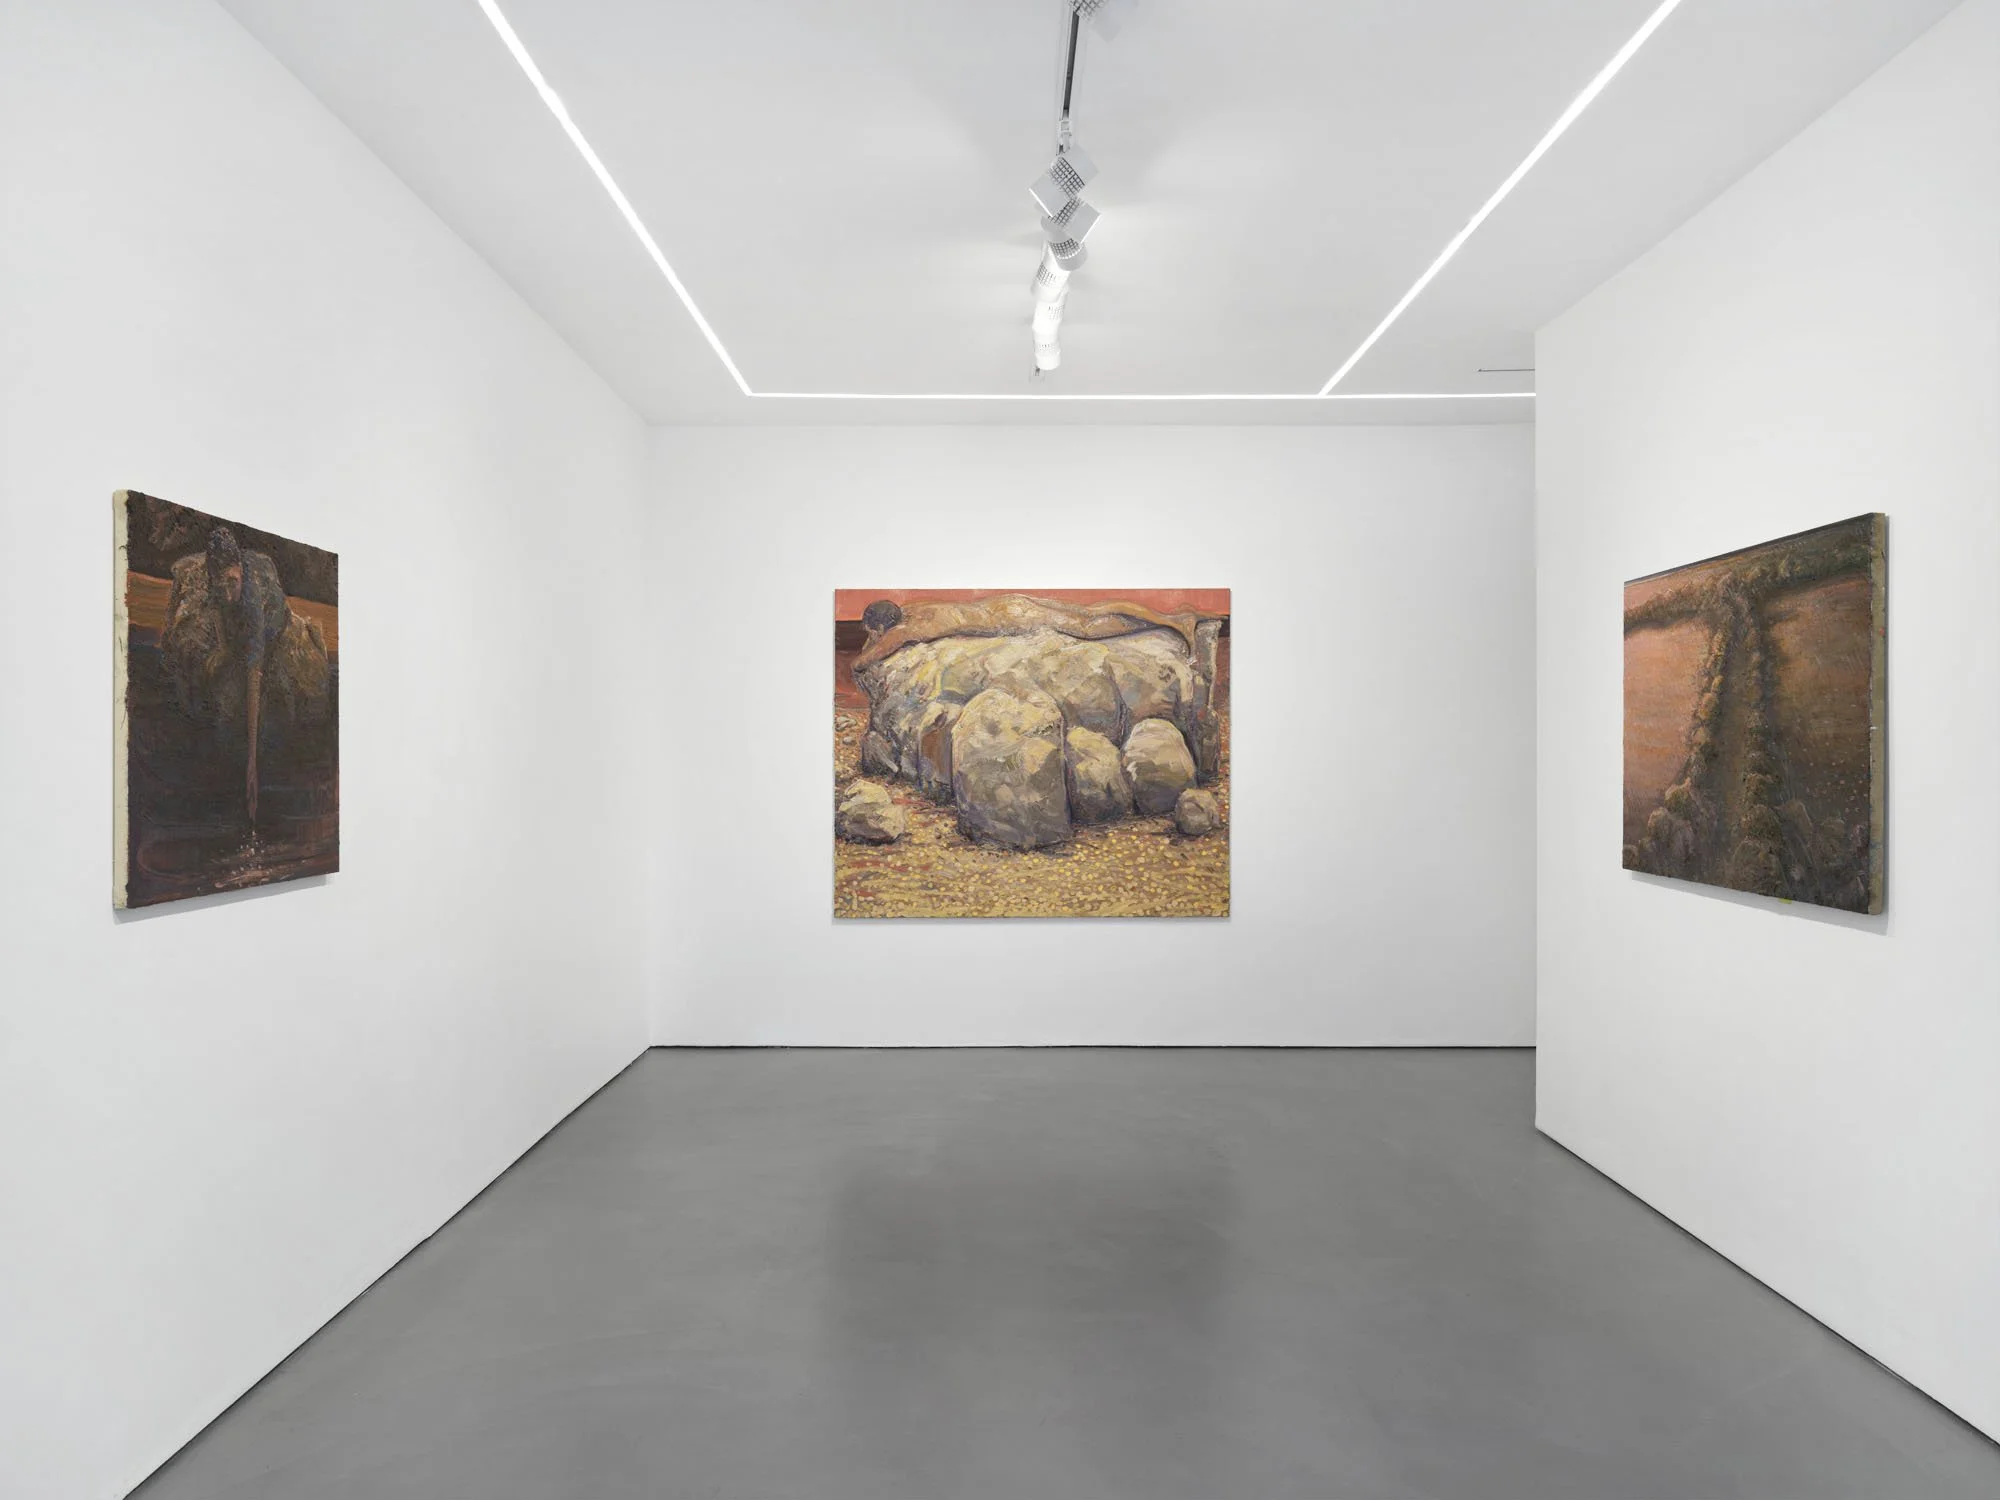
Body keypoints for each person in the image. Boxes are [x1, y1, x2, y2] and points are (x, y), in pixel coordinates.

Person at [854, 593, 1202, 673]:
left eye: (874, 629)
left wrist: (872, 643)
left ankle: (1173, 622)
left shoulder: (906, 629)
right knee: (1090, 612)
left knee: (1087, 627)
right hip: (1008, 604)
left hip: (1014, 619)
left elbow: (863, 661)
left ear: (883, 626)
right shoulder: (914, 610)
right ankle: (1171, 619)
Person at [205, 527, 292, 824]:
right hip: (243, 617)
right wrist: (222, 647)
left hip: (273, 620)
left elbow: (254, 674)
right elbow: (217, 607)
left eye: (232, 582)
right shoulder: (218, 582)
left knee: (261, 686)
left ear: (240, 570)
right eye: (221, 585)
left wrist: (251, 763)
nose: (227, 594)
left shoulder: (254, 594)